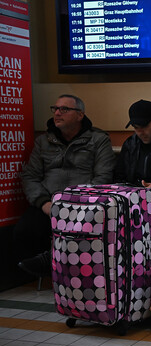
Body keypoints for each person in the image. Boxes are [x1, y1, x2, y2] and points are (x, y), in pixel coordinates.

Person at [15, 94, 116, 277]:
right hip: (48, 203)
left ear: (80, 115)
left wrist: (75, 203)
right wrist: (44, 203)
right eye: (55, 109)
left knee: (78, 230)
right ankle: (48, 270)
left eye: (64, 109)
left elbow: (103, 177)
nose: (57, 113)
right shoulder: (43, 141)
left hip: (83, 204)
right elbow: (30, 177)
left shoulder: (98, 140)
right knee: (24, 230)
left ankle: (57, 268)